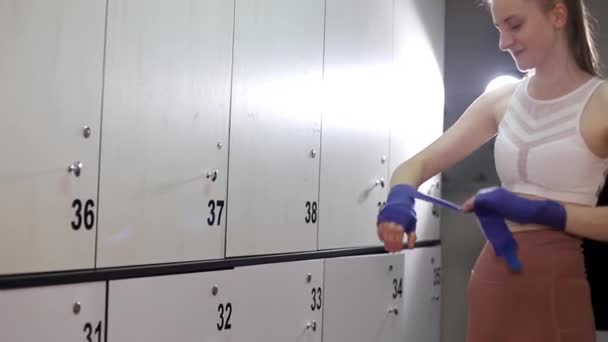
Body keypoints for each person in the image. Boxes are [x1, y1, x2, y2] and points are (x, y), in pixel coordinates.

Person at [376, 0, 608, 341]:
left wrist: (543, 211)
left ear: (558, 15)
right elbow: (415, 166)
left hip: (556, 285)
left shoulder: (601, 105)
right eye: (499, 29)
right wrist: (398, 201)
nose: (503, 43)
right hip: (492, 281)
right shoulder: (501, 101)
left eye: (514, 25)